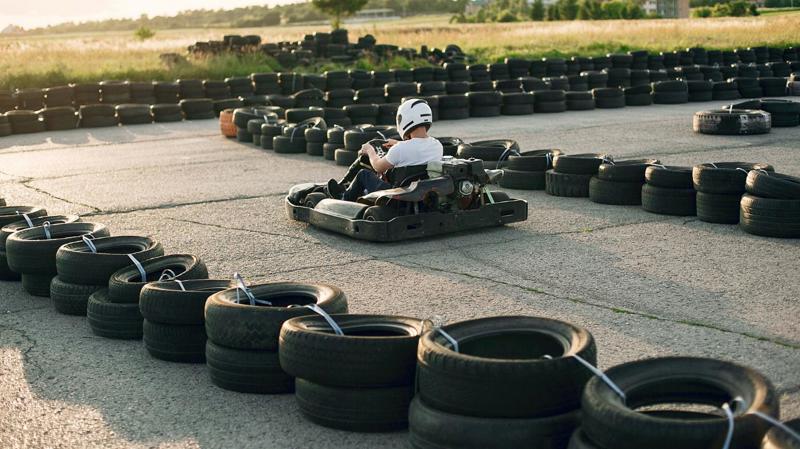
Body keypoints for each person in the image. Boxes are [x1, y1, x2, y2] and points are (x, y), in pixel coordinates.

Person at [327, 99, 443, 201]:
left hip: (396, 194)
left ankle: (344, 196)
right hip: (421, 191)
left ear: (406, 119)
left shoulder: (400, 149)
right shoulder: (437, 145)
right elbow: (417, 148)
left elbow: (378, 166)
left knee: (363, 174)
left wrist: (370, 150)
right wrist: (398, 143)